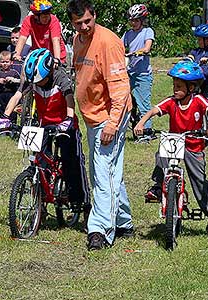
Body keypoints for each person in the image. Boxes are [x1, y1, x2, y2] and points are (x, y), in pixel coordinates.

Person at [67, 0, 134, 250]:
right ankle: (124, 221)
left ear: (94, 15)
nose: (84, 27)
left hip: (110, 116)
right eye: (78, 23)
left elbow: (120, 88)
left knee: (102, 174)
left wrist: (113, 123)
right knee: (108, 170)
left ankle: (100, 230)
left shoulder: (109, 42)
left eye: (87, 21)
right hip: (92, 116)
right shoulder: (77, 41)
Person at [0, 48, 91, 222]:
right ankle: (39, 203)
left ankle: (84, 205)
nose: (37, 85)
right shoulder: (33, 80)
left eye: (40, 81)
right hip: (43, 125)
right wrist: (5, 117)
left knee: (73, 163)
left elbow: (69, 98)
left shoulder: (60, 77)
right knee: (40, 162)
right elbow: (18, 95)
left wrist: (69, 119)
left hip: (65, 124)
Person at [134, 60, 208, 238]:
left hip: (194, 144)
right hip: (175, 142)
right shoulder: (172, 102)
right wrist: (141, 123)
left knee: (199, 181)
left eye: (179, 86)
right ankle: (158, 186)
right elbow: (154, 110)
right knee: (161, 153)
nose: (175, 89)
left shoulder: (198, 100)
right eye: (174, 85)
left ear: (191, 87)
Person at [121, 4, 155, 137]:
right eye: (131, 20)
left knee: (144, 104)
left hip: (143, 74)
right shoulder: (128, 34)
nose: (133, 23)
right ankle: (135, 128)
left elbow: (147, 48)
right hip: (129, 73)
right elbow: (119, 46)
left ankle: (147, 133)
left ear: (142, 20)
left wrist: (136, 53)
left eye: (136, 20)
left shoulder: (148, 31)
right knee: (128, 102)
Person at [187, 23, 208, 147]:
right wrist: (187, 60)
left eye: (200, 39)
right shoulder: (195, 51)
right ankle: (197, 137)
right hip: (196, 84)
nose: (198, 41)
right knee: (194, 110)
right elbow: (190, 57)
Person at [13, 0, 67, 67]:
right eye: (44, 17)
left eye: (48, 16)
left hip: (56, 56)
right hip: (40, 56)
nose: (46, 19)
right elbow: (23, 38)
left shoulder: (53, 20)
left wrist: (57, 59)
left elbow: (56, 40)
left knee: (57, 74)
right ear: (36, 16)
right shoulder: (28, 21)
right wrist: (17, 54)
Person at [0, 50, 20, 135]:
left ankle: (12, 127)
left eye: (7, 62)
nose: (5, 64)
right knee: (0, 111)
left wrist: (12, 80)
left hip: (11, 95)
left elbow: (20, 81)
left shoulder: (14, 73)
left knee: (12, 112)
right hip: (0, 95)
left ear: (11, 62)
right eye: (3, 62)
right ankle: (1, 128)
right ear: (0, 63)